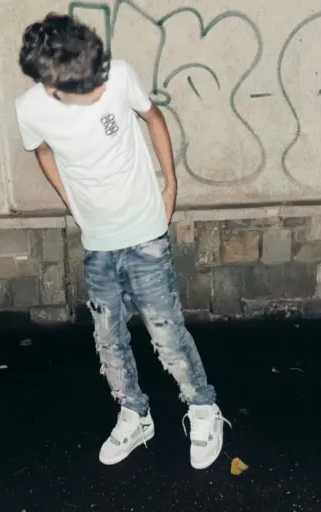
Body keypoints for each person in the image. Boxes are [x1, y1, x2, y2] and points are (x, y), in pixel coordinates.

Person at [15, 12, 230, 470]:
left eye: (98, 78)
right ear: (52, 89)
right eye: (87, 89)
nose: (100, 88)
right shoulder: (31, 109)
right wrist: (69, 201)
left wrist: (171, 185)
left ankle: (203, 407)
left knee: (167, 334)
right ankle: (135, 414)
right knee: (108, 340)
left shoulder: (118, 75)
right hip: (98, 240)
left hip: (145, 231)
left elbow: (153, 117)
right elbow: (43, 151)